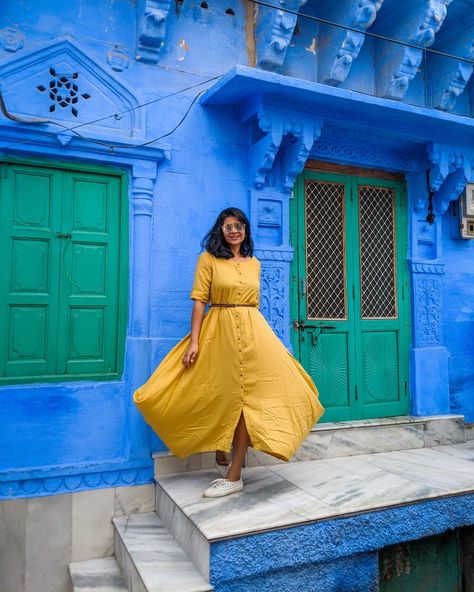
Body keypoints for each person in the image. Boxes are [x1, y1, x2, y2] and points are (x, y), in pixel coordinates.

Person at [133, 207, 324, 498]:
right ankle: (222, 447)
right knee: (220, 391)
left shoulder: (254, 263)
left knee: (253, 397)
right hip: (219, 330)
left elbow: (254, 306)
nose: (234, 230)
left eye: (238, 225)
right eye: (228, 227)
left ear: (245, 229)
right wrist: (195, 341)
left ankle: (234, 475)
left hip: (253, 331)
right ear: (220, 231)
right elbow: (199, 301)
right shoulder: (207, 259)